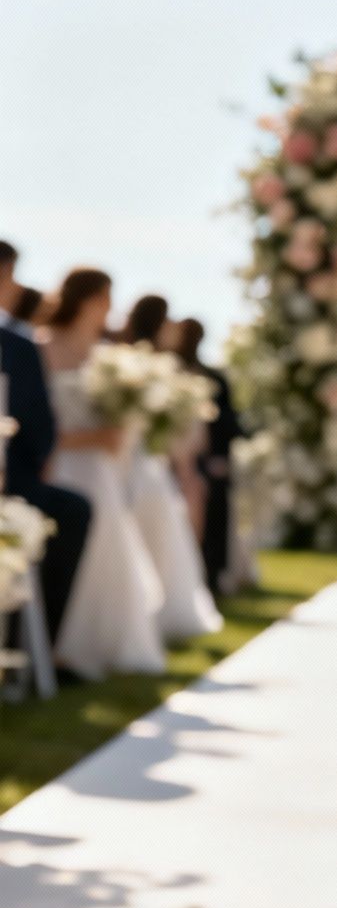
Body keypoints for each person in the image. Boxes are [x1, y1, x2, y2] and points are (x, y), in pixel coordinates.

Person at [41, 269, 166, 679]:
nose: (110, 308)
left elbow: (122, 424)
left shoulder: (108, 357)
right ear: (90, 298)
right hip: (56, 465)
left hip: (99, 471)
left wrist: (117, 435)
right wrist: (91, 438)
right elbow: (37, 423)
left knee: (104, 550)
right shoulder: (40, 348)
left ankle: (88, 644)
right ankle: (51, 644)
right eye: (107, 298)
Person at [0, 241, 93, 650]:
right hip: (10, 484)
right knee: (73, 511)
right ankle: (33, 642)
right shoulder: (16, 348)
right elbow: (38, 427)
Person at [116, 294, 220, 642]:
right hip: (135, 459)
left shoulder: (166, 365)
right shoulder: (130, 362)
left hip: (155, 460)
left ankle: (159, 611)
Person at [173, 317, 242, 597]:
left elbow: (227, 423)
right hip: (174, 461)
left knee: (216, 510)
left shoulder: (213, 378)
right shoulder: (170, 370)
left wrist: (218, 458)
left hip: (206, 460)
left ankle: (213, 574)